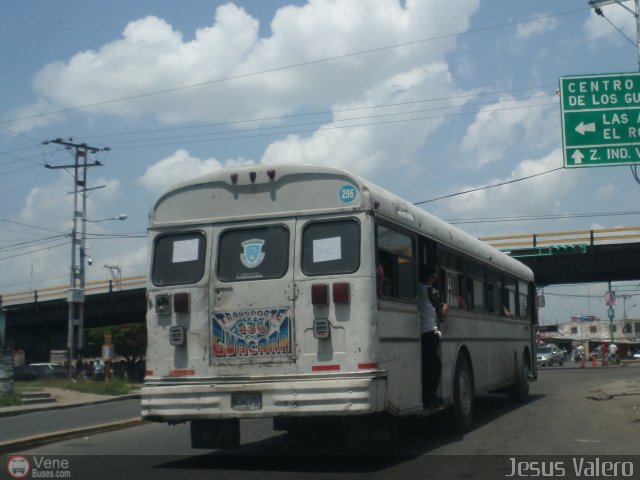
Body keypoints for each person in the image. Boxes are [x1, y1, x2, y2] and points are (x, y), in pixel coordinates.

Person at [419, 264, 448, 410]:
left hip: (420, 333)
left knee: (425, 367)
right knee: (435, 367)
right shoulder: (432, 291)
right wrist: (445, 307)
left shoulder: (416, 289)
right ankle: (430, 399)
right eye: (435, 274)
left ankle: (426, 397)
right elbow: (441, 316)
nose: (436, 277)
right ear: (430, 276)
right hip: (431, 332)